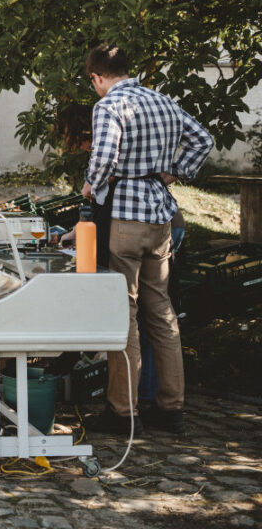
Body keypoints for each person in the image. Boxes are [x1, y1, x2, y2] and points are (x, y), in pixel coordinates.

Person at [81, 43, 213, 436]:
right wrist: (175, 170)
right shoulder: (163, 101)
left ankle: (123, 411)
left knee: (124, 311)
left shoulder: (109, 106)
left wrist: (90, 186)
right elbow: (203, 139)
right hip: (160, 215)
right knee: (161, 309)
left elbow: (104, 158)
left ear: (97, 77)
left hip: (125, 216)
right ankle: (171, 408)